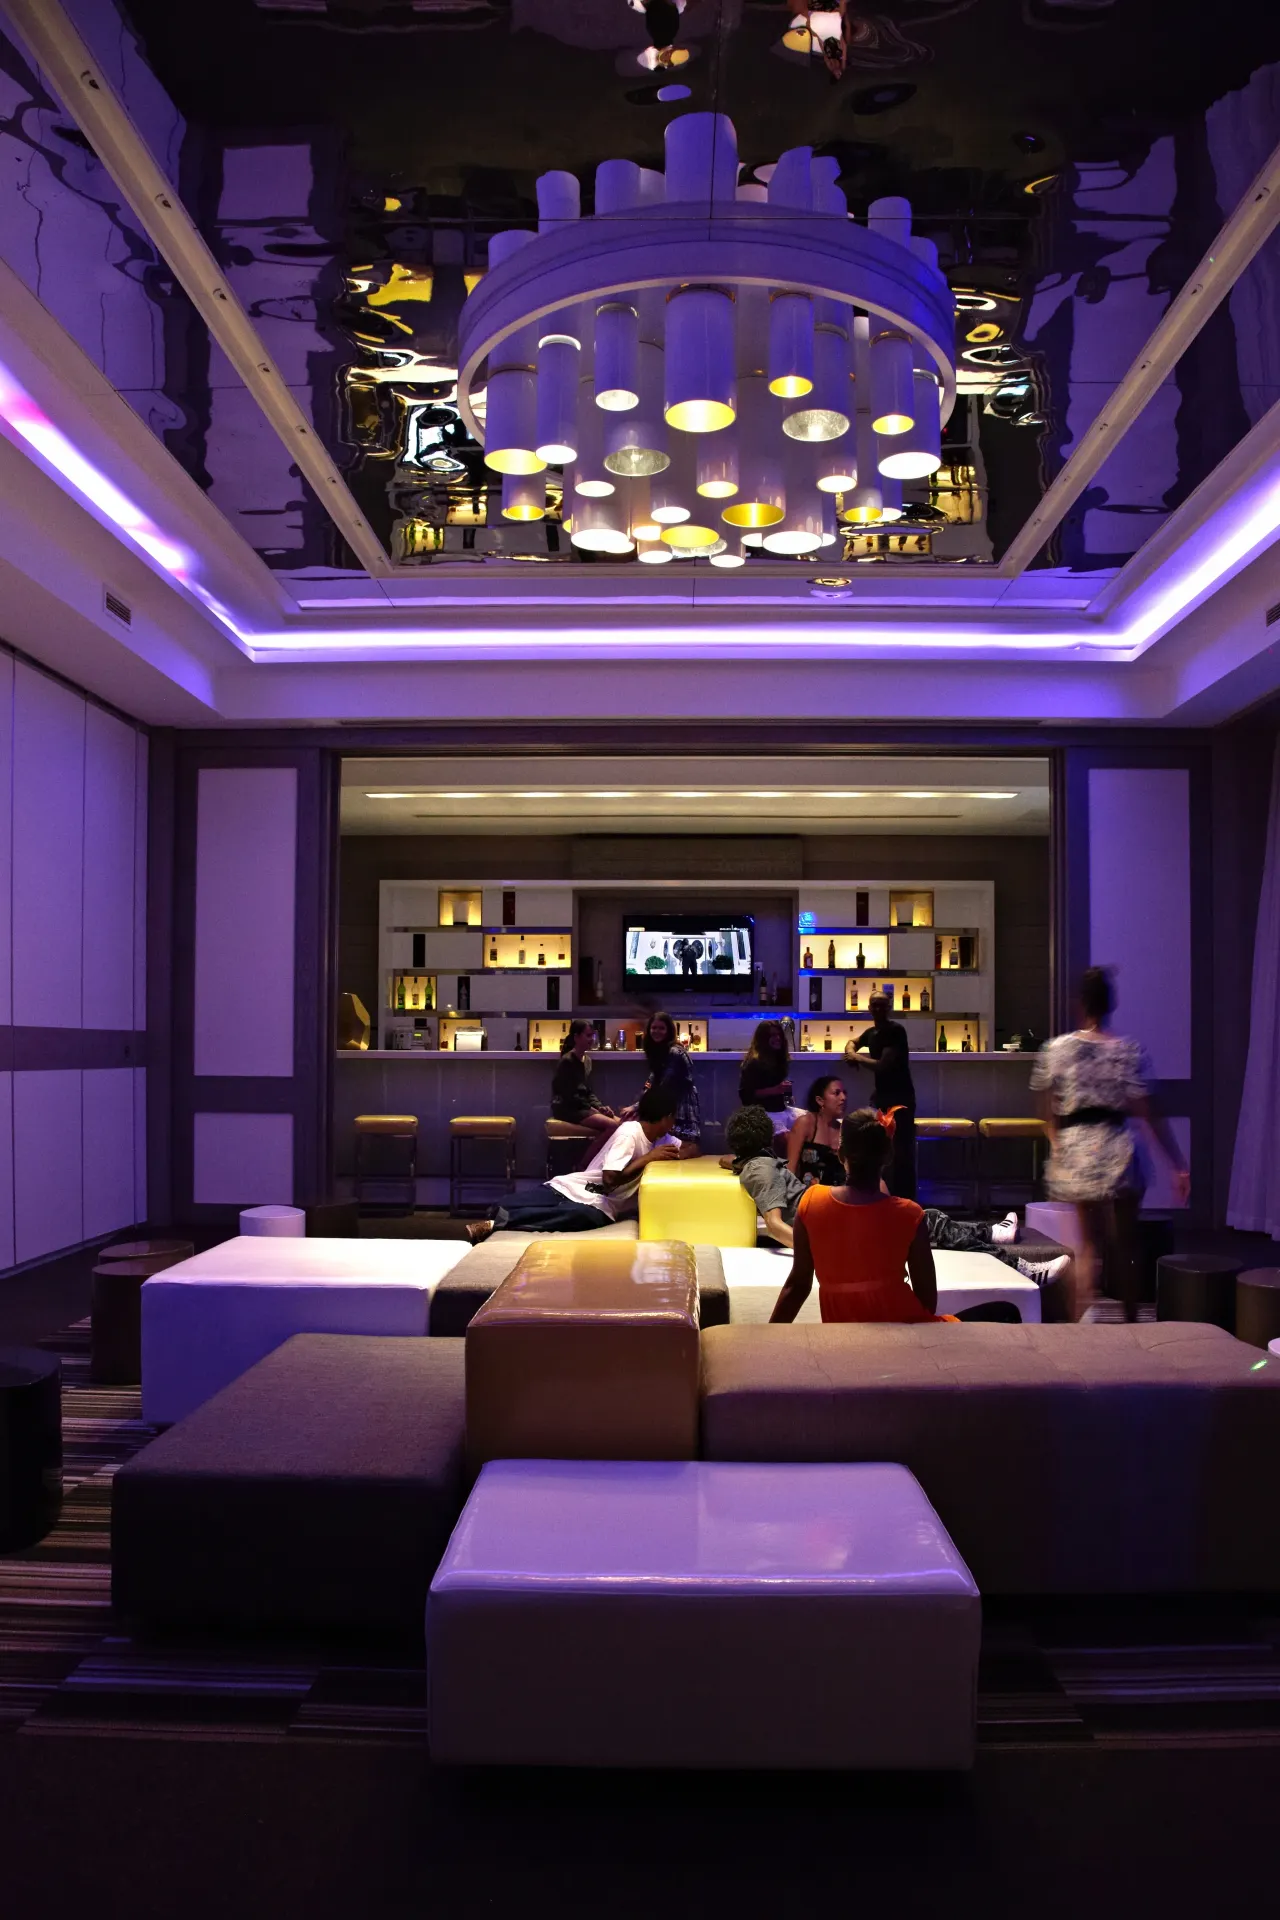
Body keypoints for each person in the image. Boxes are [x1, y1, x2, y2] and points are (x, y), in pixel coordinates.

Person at [1031, 966, 1190, 1321]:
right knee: (1126, 1248)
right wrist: (1177, 1164)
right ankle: (1131, 1323)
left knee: (1086, 1247)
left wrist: (1057, 1144)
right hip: (1118, 1151)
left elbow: (1046, 1107)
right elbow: (1148, 1112)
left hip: (1077, 1153)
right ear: (1110, 1004)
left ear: (1081, 1003)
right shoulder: (1127, 1052)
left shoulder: (1057, 1050)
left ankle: (1079, 1327)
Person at [770, 1108, 1021, 1324]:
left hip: (846, 1341)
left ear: (841, 1154)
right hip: (905, 1337)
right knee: (1006, 1311)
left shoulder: (812, 1201)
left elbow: (797, 1286)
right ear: (888, 1156)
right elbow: (927, 1302)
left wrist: (766, 1341)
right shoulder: (909, 1214)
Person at [474, 1087, 680, 1237]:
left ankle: (497, 1223)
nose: (674, 1124)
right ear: (666, 1117)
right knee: (500, 1205)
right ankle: (497, 1216)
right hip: (571, 1188)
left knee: (585, 1216)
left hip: (598, 1206)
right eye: (673, 1118)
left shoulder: (661, 1140)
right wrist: (648, 1159)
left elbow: (690, 1148)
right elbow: (609, 1180)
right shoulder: (631, 1132)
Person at [844, 992, 917, 1198]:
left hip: (901, 1098)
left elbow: (883, 1065)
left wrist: (856, 1058)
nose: (878, 1009)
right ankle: (885, 1197)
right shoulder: (872, 1032)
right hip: (883, 1098)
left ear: (889, 1007)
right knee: (883, 1149)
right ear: (869, 1008)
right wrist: (851, 1051)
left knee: (902, 1152)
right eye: (875, 1005)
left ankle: (906, 1200)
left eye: (882, 1005)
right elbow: (852, 1041)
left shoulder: (896, 1031)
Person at [722, 1105, 808, 1249]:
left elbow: (727, 1160)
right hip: (817, 1220)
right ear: (770, 1137)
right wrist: (817, 1253)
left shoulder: (752, 1163)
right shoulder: (762, 1170)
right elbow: (774, 1225)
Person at [621, 1010, 701, 1153]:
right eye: (654, 1028)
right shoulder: (660, 1051)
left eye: (661, 1028)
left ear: (669, 1031)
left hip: (680, 1105)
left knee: (681, 1147)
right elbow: (652, 1083)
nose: (656, 1031)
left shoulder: (675, 1052)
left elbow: (663, 1086)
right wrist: (637, 1106)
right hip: (669, 1103)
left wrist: (636, 1107)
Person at [550, 1020, 618, 1141]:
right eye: (588, 1035)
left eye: (592, 1035)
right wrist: (592, 1110)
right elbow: (568, 1095)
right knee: (613, 1125)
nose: (591, 1039)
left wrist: (600, 1107)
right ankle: (592, 1154)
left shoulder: (587, 1061)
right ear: (576, 1037)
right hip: (568, 1109)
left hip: (582, 1107)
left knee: (621, 1123)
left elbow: (588, 1091)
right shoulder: (567, 1061)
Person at [786, 1073, 847, 1184]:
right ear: (820, 1100)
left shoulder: (844, 1130)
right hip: (809, 1192)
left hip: (838, 1192)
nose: (843, 1098)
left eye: (844, 1093)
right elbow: (790, 1168)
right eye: (837, 1093)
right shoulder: (806, 1123)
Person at [738, 1020, 795, 1133]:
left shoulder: (778, 1060)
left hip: (779, 1110)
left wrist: (787, 1095)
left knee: (808, 1122)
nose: (778, 1038)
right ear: (763, 1039)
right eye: (772, 1035)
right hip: (762, 1114)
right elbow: (745, 1095)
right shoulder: (754, 1063)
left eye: (779, 1035)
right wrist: (775, 1090)